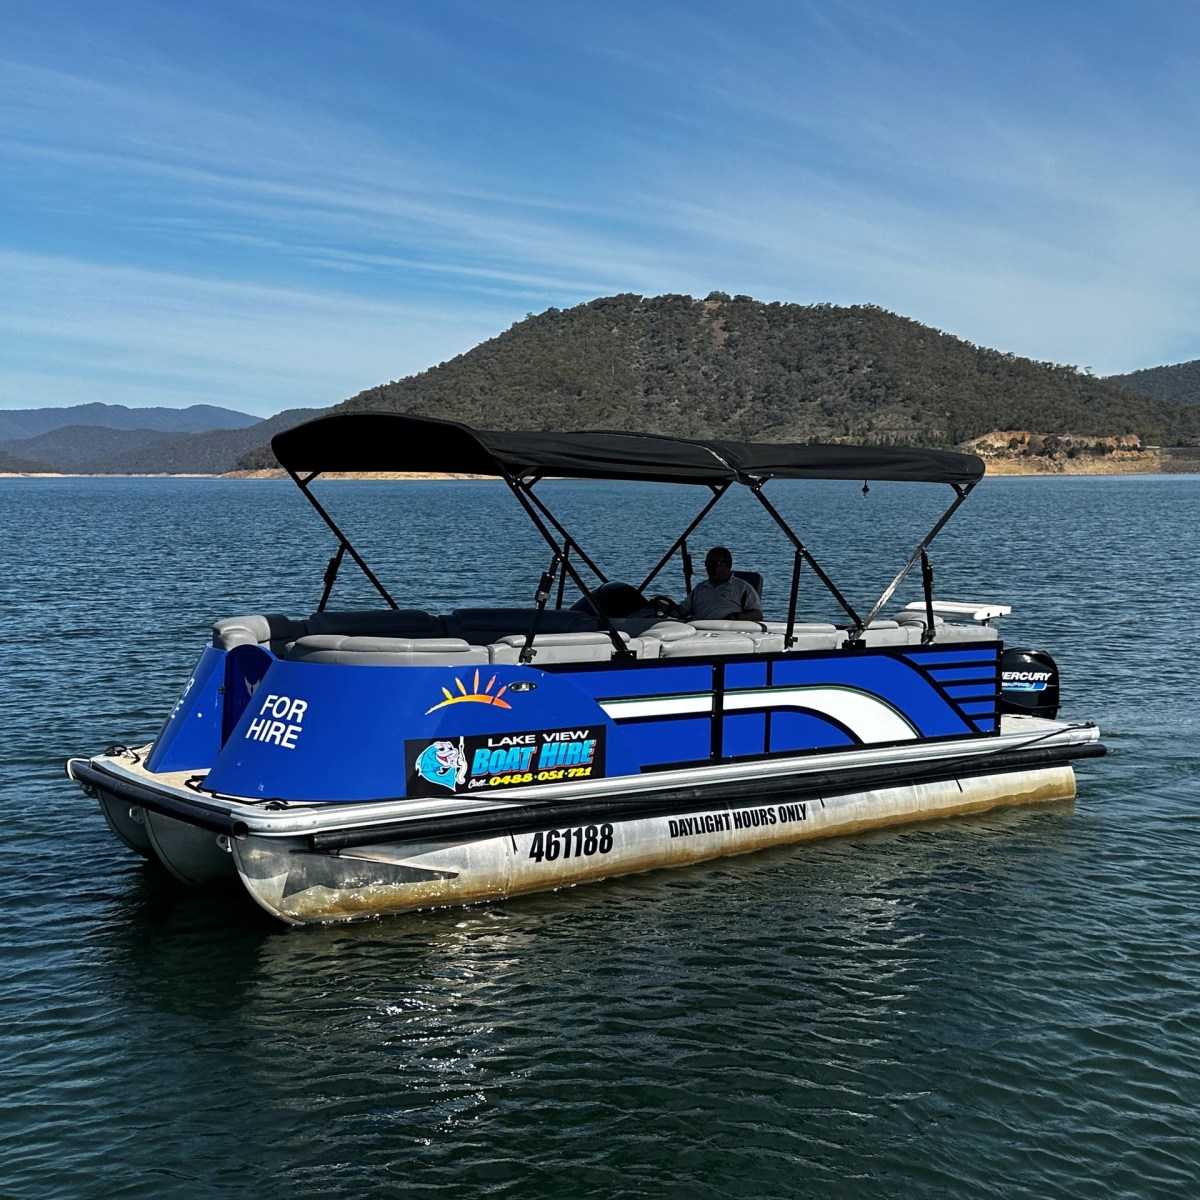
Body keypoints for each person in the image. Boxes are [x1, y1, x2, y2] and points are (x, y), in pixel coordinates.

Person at [677, 546, 762, 622]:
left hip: (725, 633)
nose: (709, 568)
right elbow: (682, 612)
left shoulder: (743, 588)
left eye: (713, 564)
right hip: (697, 631)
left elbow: (757, 615)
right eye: (707, 564)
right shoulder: (700, 588)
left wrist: (735, 617)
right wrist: (664, 606)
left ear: (728, 564)